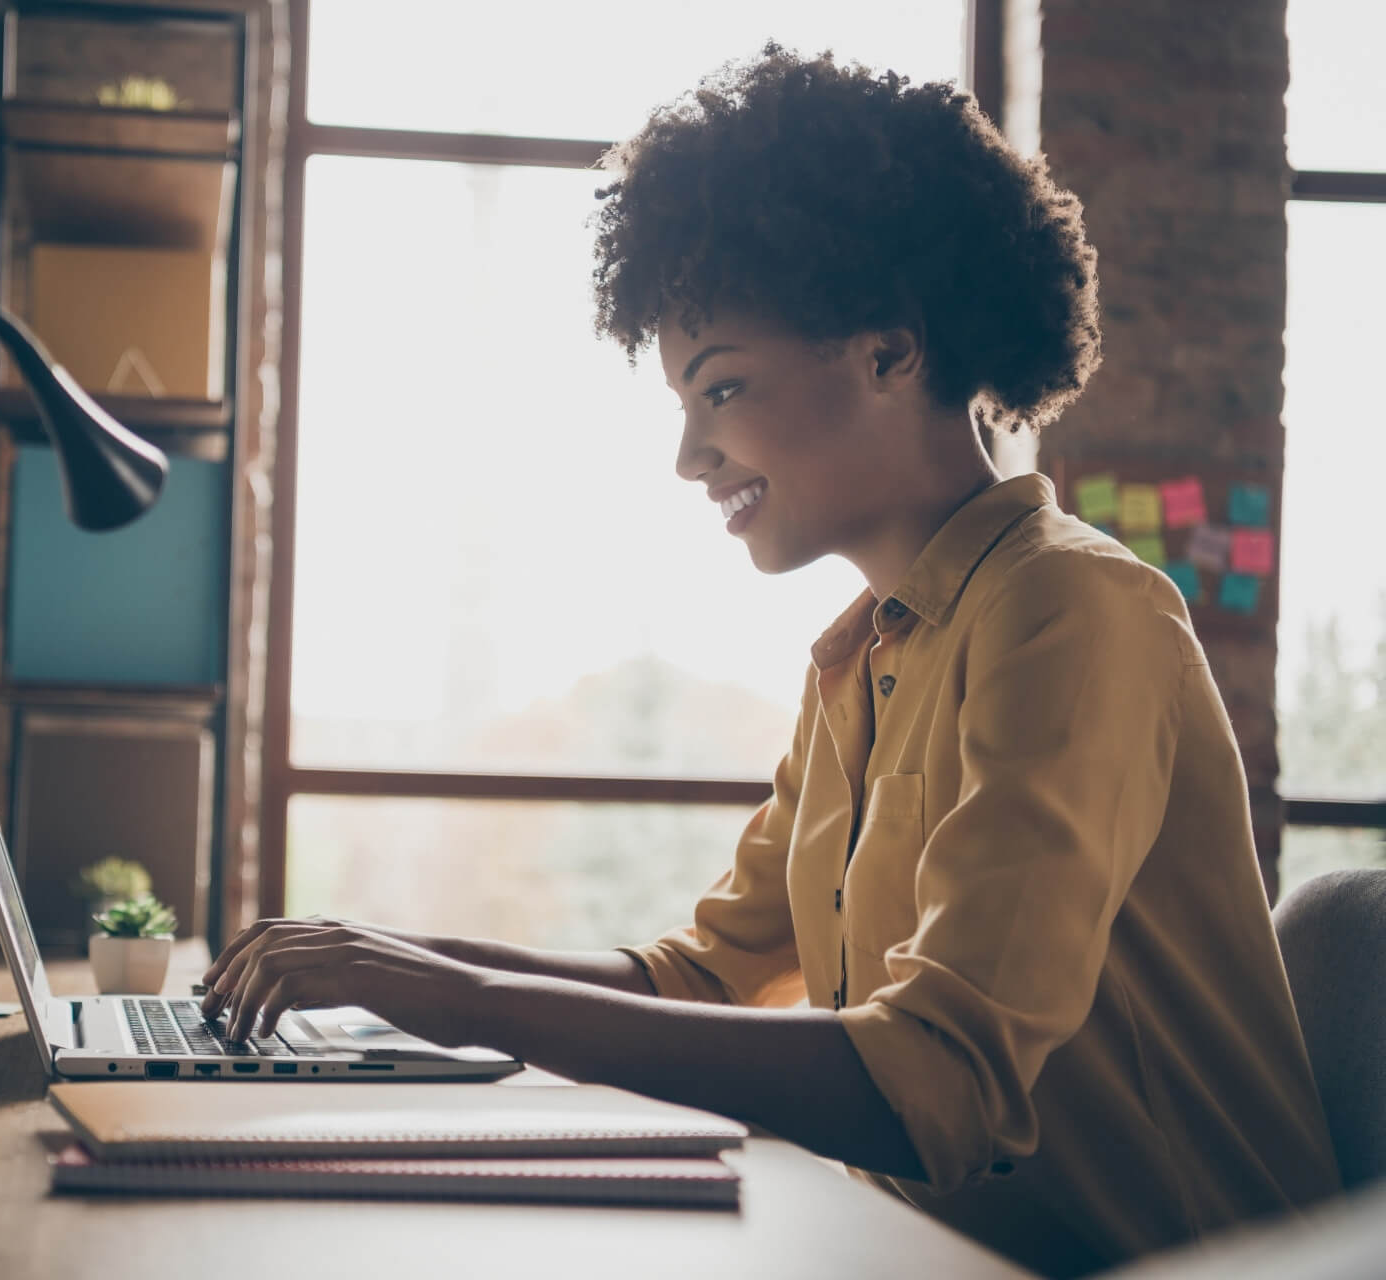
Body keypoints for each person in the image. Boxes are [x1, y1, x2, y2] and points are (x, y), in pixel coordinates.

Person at [201, 45, 1339, 1277]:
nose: (691, 456)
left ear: (892, 350)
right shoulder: (864, 657)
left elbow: (936, 1081)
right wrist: (398, 964)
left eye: (722, 387)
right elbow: (699, 979)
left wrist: (458, 1001)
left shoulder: (1076, 610)